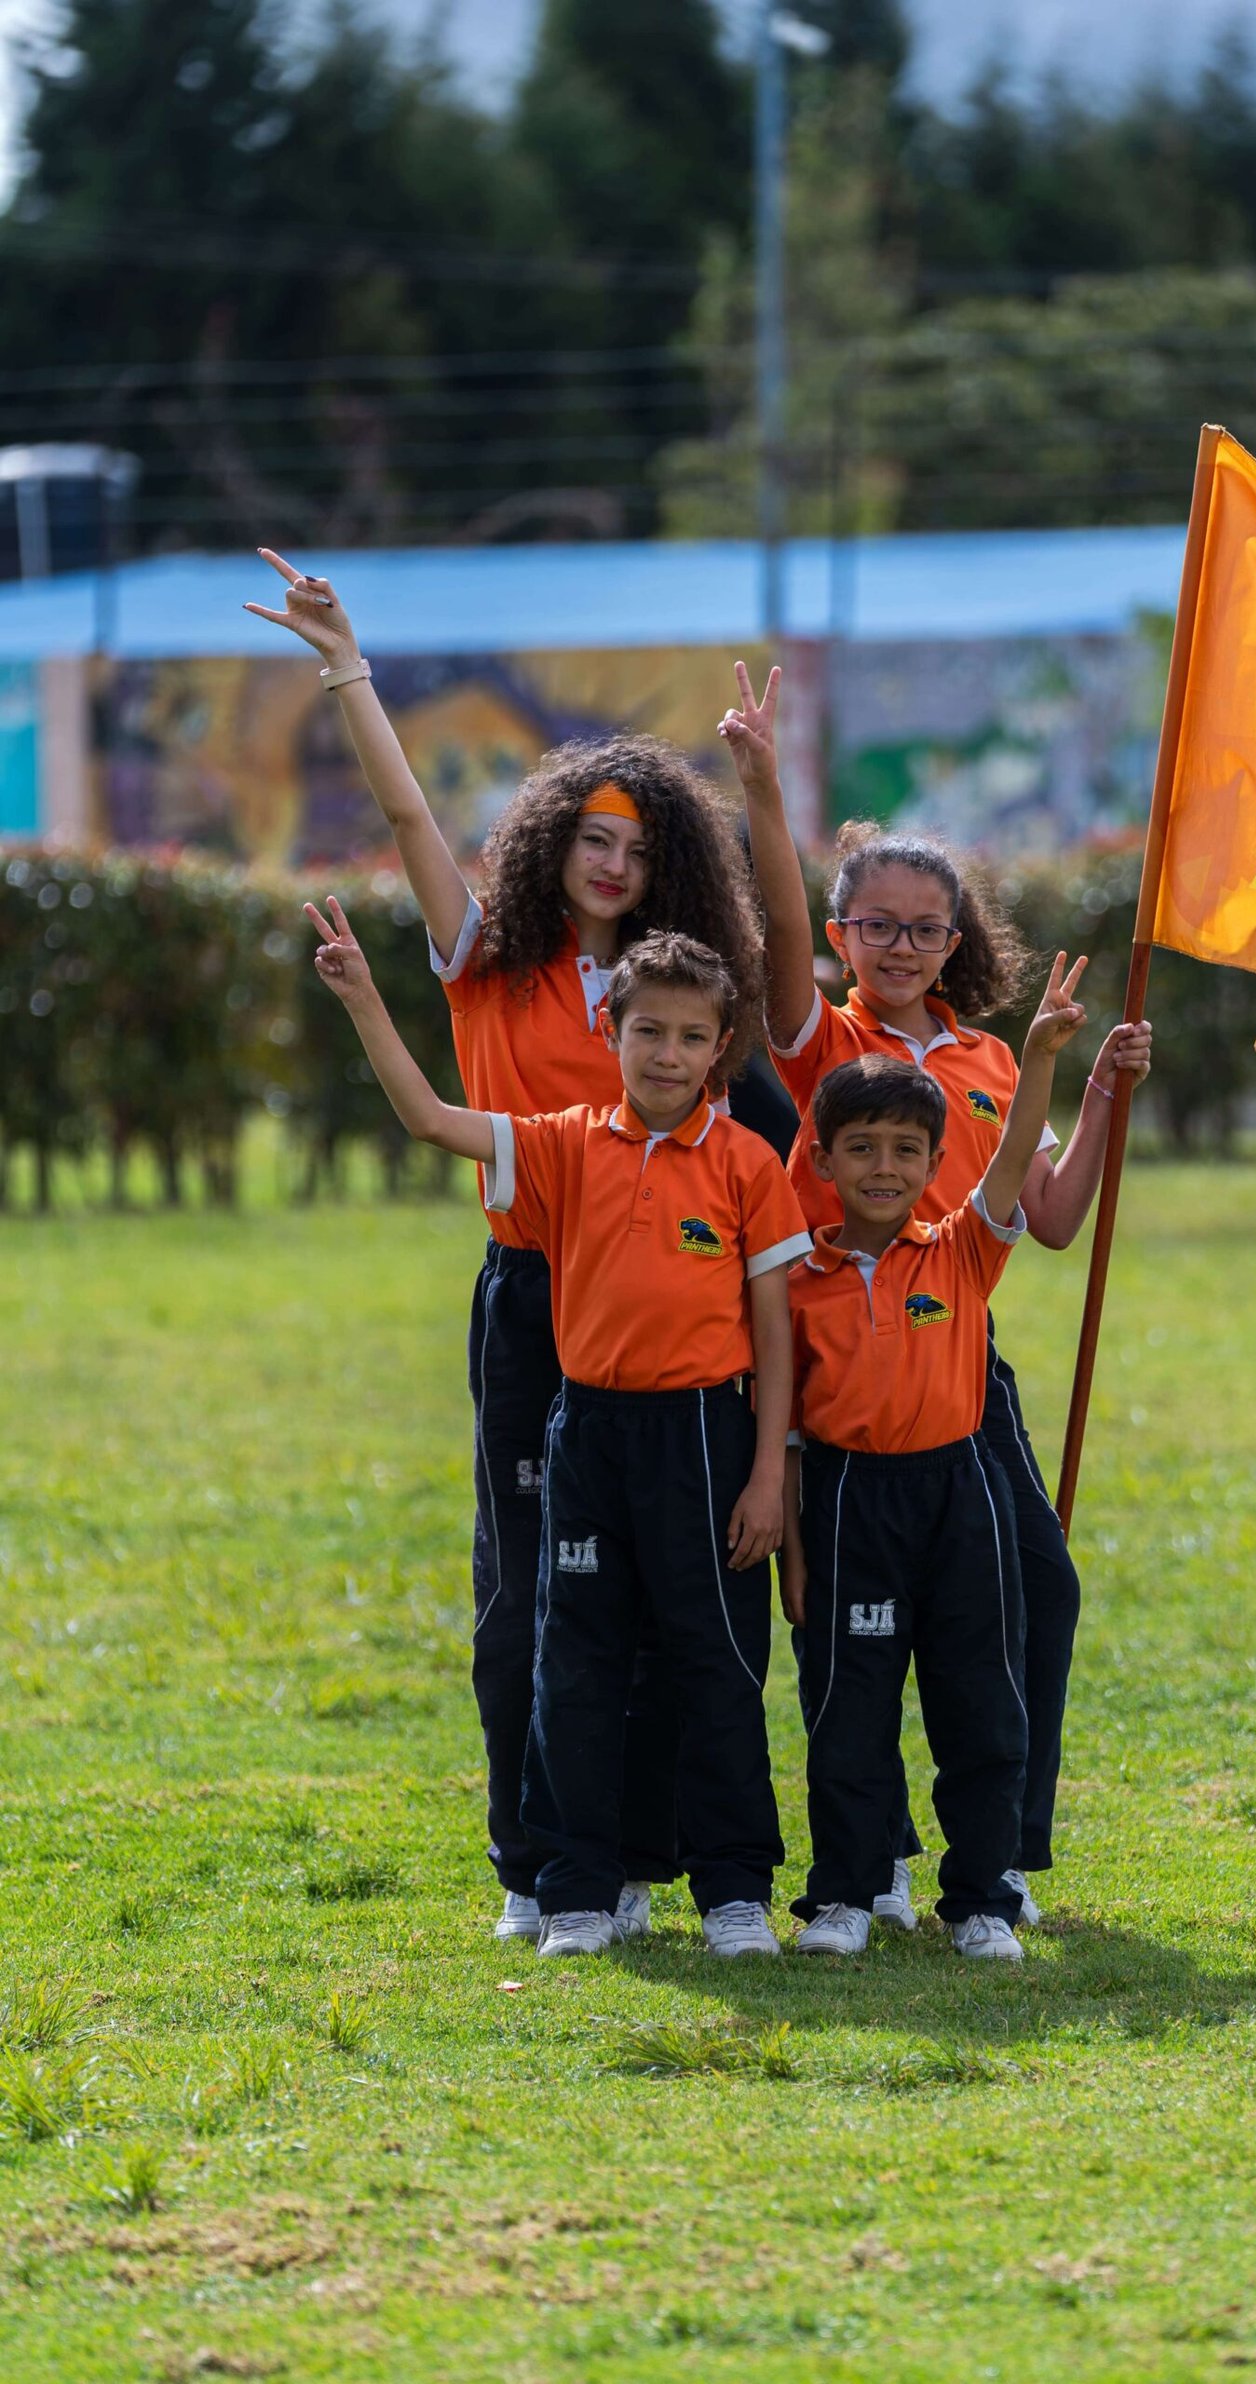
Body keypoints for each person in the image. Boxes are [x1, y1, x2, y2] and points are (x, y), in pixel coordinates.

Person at [246, 551, 765, 1944]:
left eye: (642, 845)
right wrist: (347, 667)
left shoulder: (676, 996)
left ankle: (639, 1861)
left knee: (666, 1596)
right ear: (551, 839)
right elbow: (408, 806)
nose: (616, 859)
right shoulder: (483, 954)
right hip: (534, 1297)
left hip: (664, 1307)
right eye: (595, 834)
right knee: (521, 1586)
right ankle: (534, 1866)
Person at [721, 663, 1152, 1929]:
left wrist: (1107, 1095)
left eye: (925, 929)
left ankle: (998, 1857)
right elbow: (783, 939)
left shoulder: (986, 1060)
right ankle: (873, 1859)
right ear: (846, 935)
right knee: (845, 1627)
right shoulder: (821, 1042)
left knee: (1035, 1590)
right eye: (878, 926)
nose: (900, 947)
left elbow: (1056, 1216)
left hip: (960, 1351)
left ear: (957, 943)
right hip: (835, 1356)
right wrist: (760, 785)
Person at [303, 903, 810, 1957]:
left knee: (714, 1658)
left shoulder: (747, 1166)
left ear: (721, 1048)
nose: (665, 1052)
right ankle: (574, 1888)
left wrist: (768, 1474)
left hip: (705, 1438)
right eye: (646, 1031)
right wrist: (361, 997)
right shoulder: (565, 1145)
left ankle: (732, 1891)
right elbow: (435, 1119)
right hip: (586, 1435)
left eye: (688, 1036)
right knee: (572, 1660)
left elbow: (775, 1334)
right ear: (611, 1034)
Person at [784, 951, 1091, 1959]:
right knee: (848, 1708)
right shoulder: (799, 1278)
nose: (884, 1167)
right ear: (822, 1163)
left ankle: (984, 1900)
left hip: (956, 1494)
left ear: (931, 1161)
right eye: (861, 1148)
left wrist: (1041, 1056)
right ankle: (845, 1892)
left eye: (907, 1150)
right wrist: (790, 1536)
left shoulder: (960, 1246)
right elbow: (783, 1416)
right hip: (844, 1500)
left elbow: (1009, 1169)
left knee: (978, 1703)